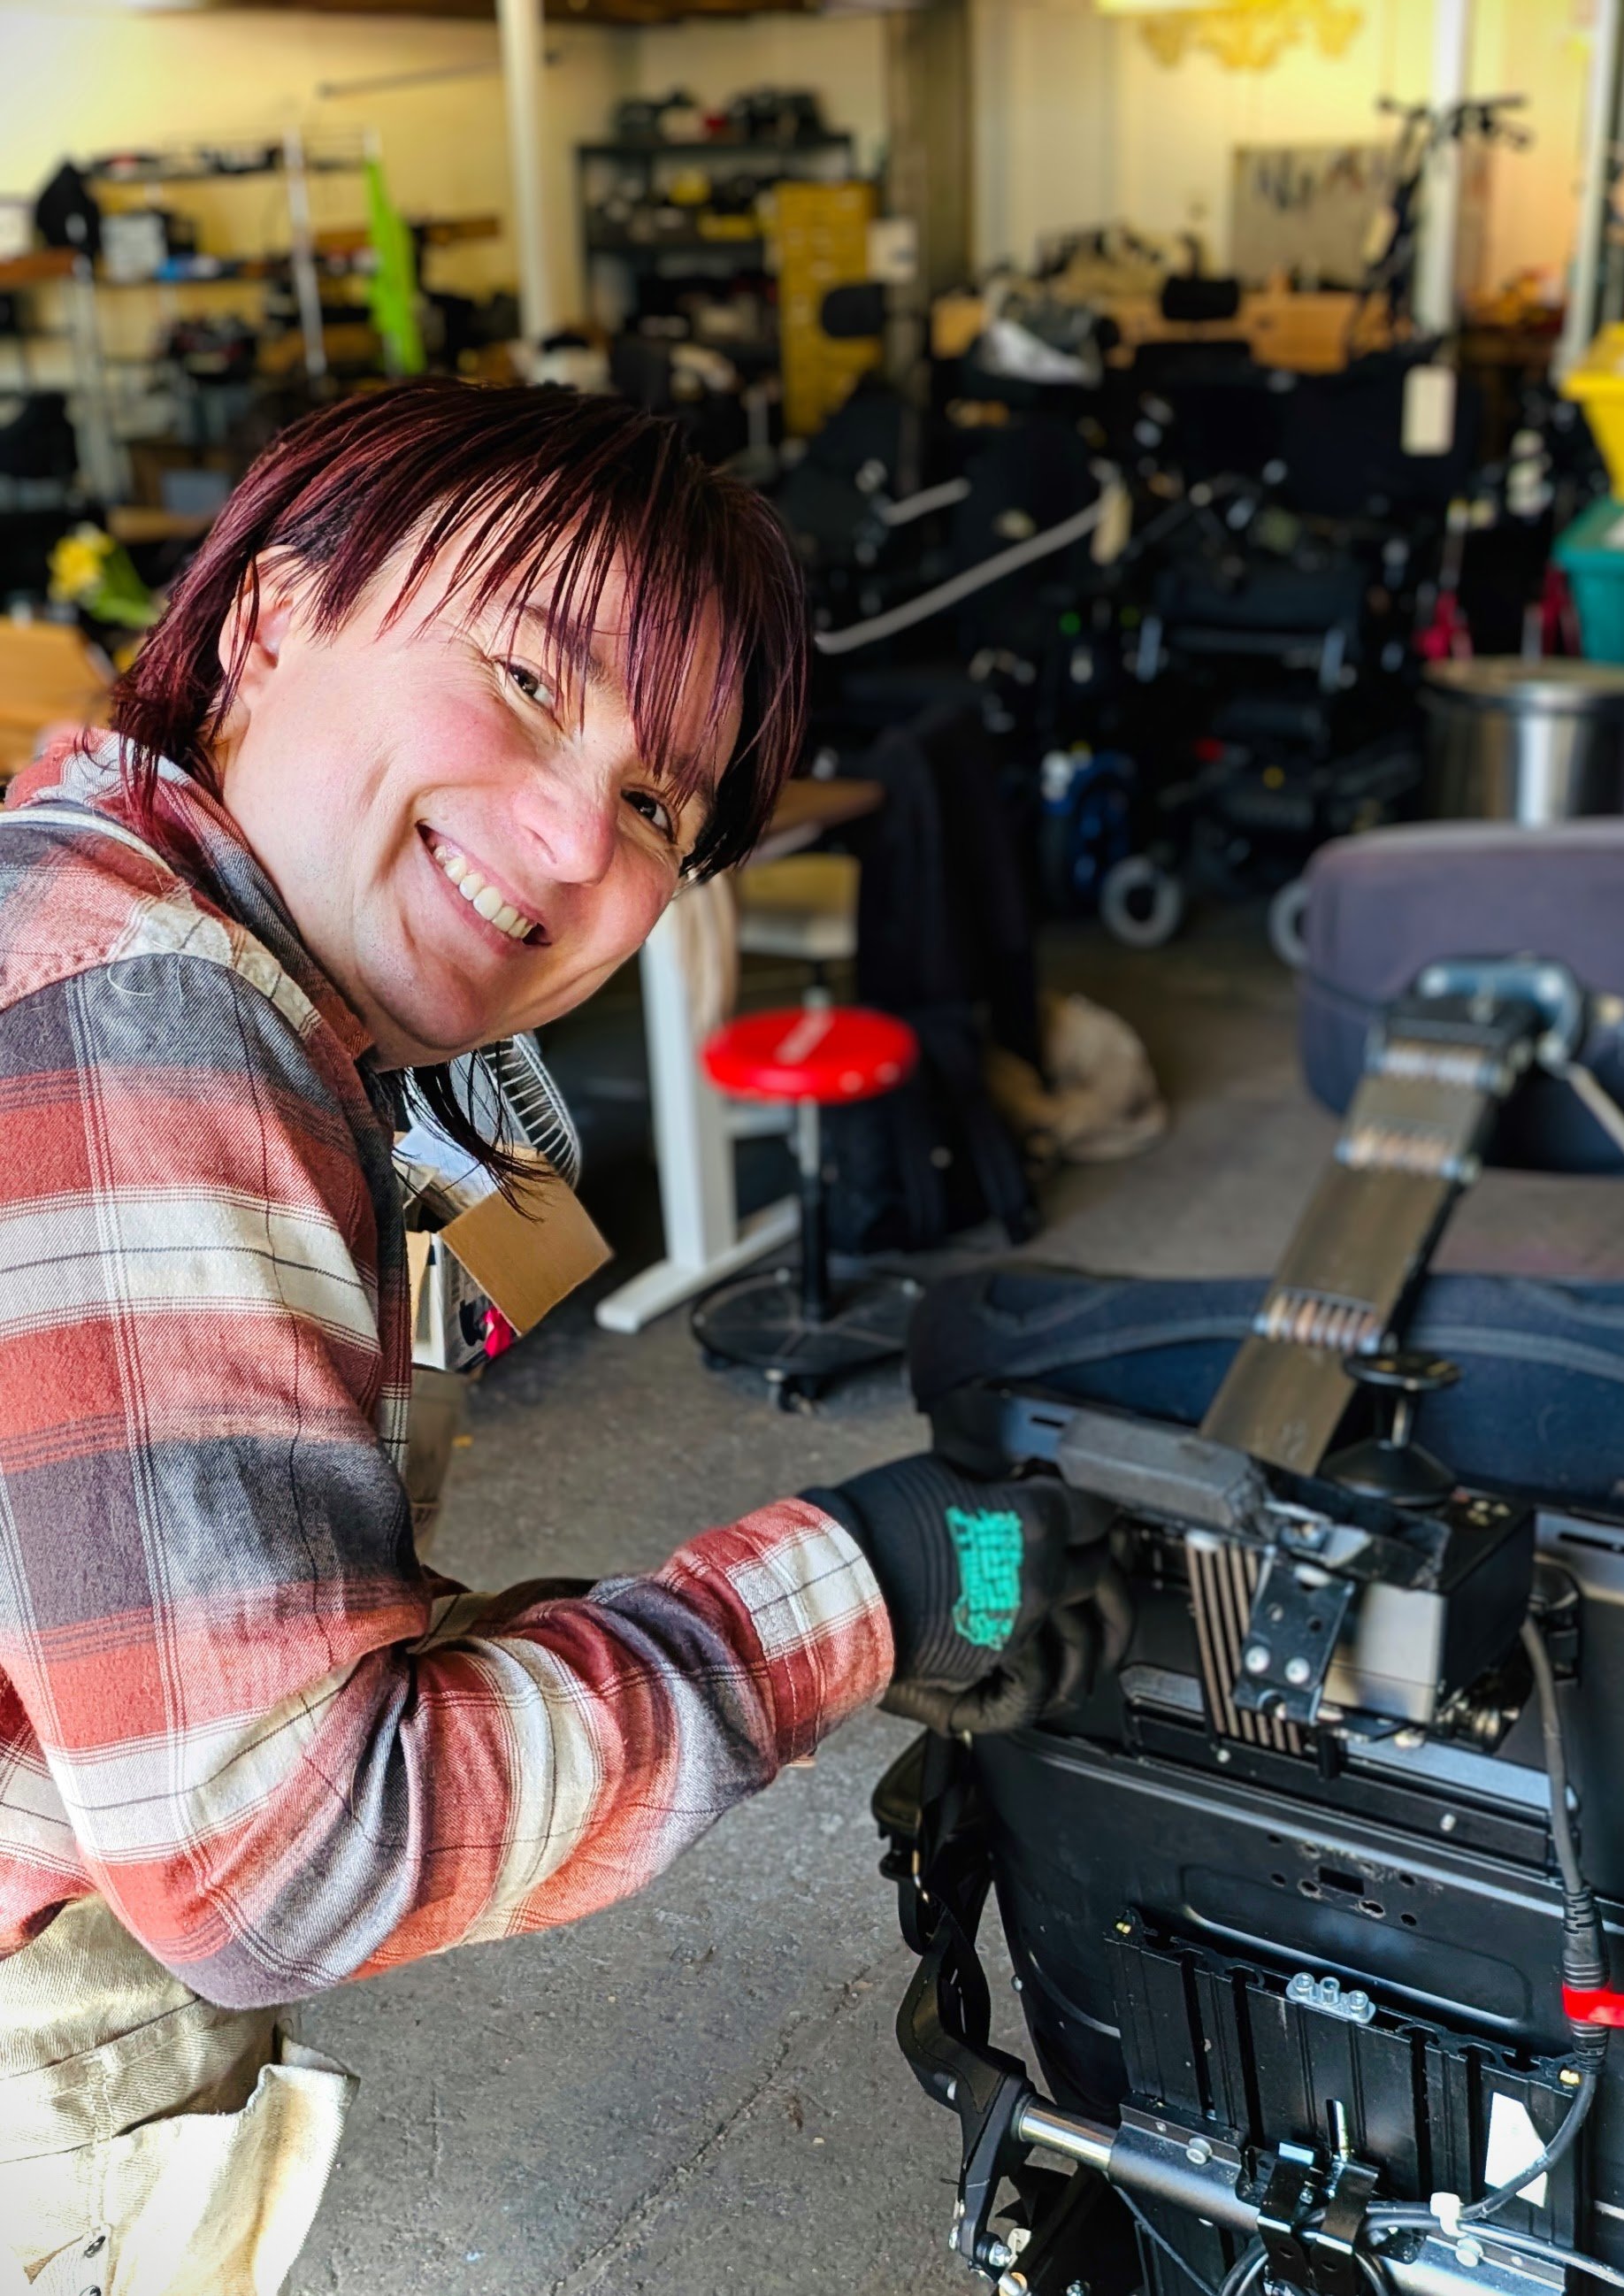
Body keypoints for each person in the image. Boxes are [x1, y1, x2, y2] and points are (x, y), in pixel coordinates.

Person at [0, 381, 1125, 2296]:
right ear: (273, 612)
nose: (568, 835)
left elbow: (253, 1577)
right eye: (525, 680)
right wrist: (872, 1582)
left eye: (656, 805)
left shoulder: (105, 881)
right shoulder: (150, 1013)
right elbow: (288, 1860)